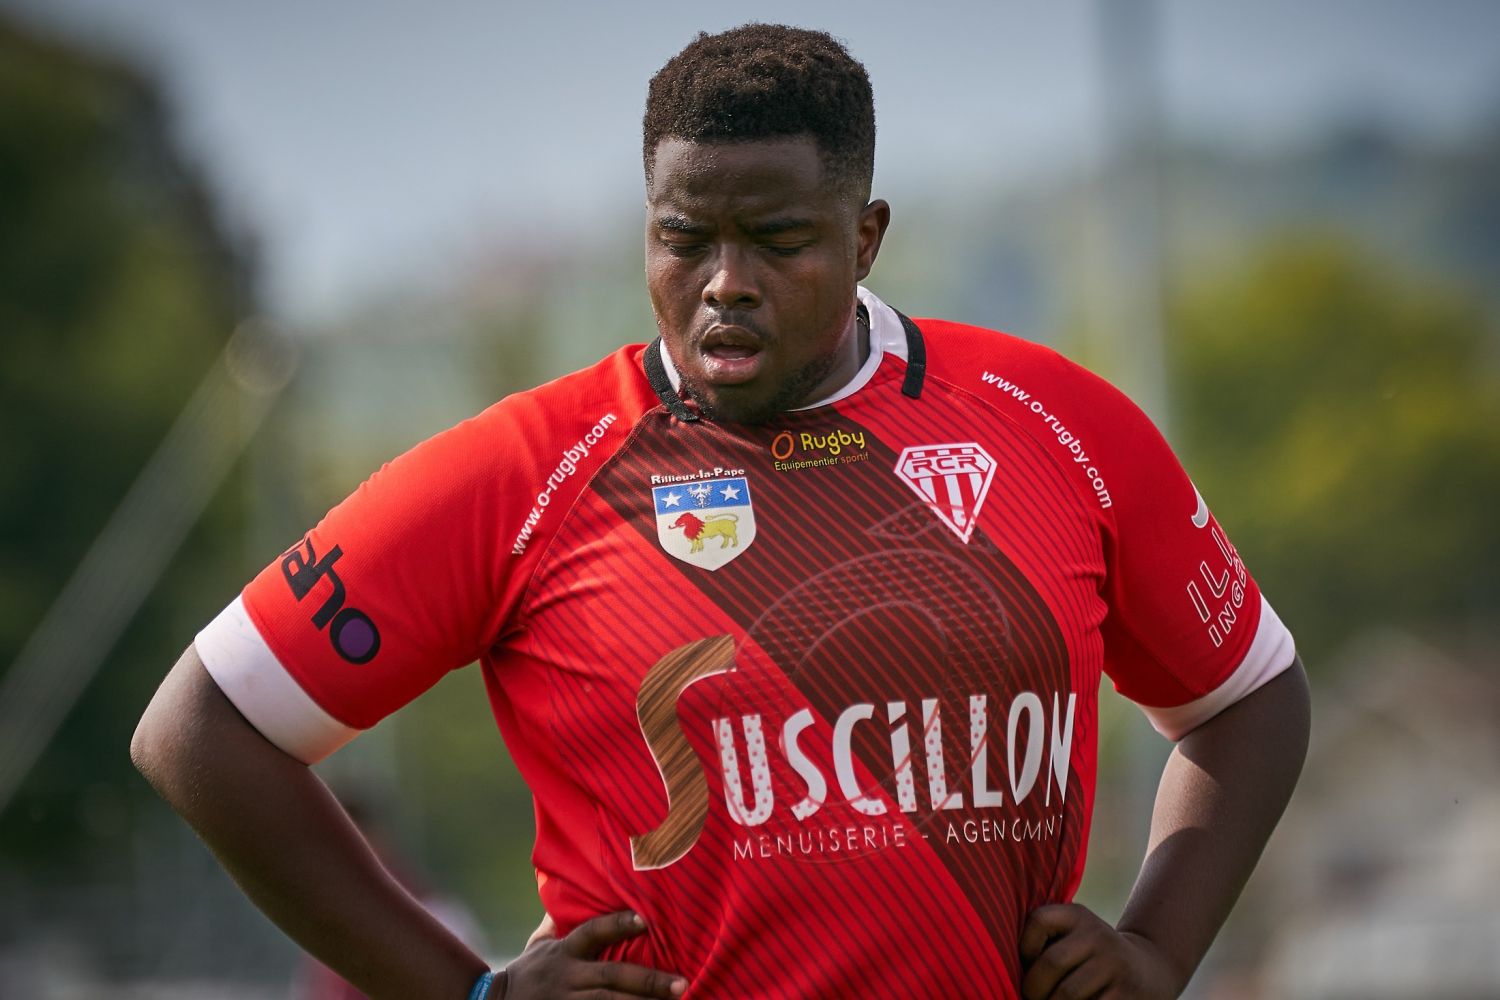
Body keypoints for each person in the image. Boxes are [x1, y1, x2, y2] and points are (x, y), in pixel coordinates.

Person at [132, 23, 1310, 1000]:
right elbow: (203, 730)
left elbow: (1250, 692)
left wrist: (1156, 950)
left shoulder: (1052, 423)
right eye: (684, 239)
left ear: (866, 236)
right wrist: (469, 990)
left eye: (779, 240)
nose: (725, 282)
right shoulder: (529, 471)